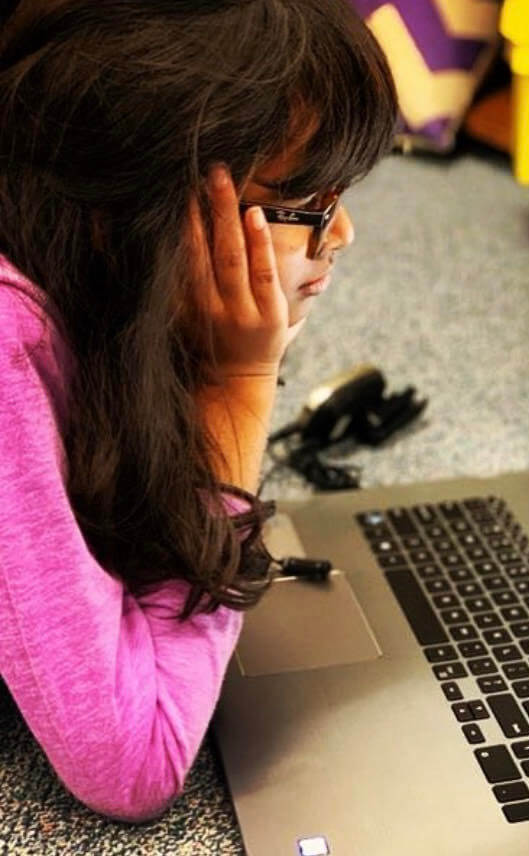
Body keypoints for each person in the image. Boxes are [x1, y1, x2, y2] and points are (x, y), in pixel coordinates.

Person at [0, 0, 397, 822]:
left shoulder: (80, 279)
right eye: (305, 199)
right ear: (141, 203)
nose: (342, 234)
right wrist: (237, 385)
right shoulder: (8, 348)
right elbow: (132, 764)